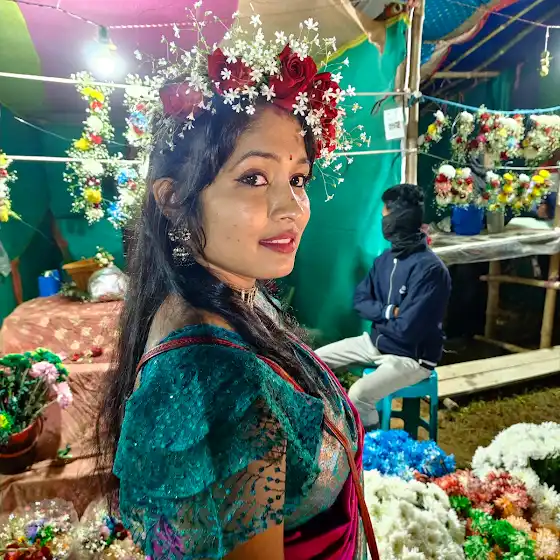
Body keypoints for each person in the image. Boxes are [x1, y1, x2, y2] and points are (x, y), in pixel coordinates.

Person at [96, 12, 379, 560]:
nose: (290, 207)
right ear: (173, 199)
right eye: (254, 177)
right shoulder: (212, 376)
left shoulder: (233, 299)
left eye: (297, 178)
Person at [316, 184, 451, 430]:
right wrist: (389, 312)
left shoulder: (430, 270)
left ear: (401, 217)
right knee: (312, 361)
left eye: (386, 215)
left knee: (359, 394)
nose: (383, 221)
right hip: (374, 344)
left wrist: (381, 317)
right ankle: (324, 425)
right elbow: (360, 301)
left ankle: (371, 445)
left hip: (412, 358)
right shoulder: (384, 260)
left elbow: (407, 330)